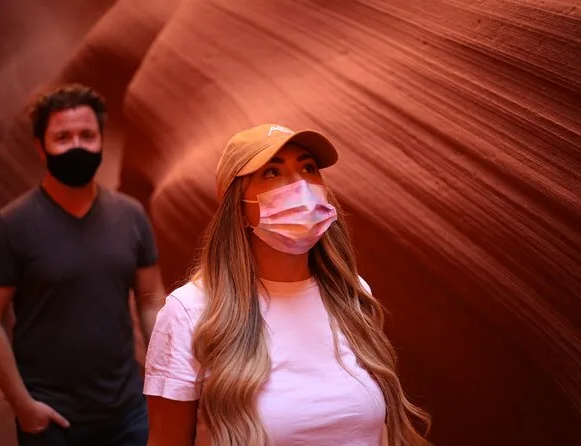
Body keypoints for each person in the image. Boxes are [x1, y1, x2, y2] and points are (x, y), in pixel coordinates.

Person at [143, 124, 431, 446]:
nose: (300, 185)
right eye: (272, 172)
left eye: (308, 168)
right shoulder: (190, 312)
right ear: (239, 210)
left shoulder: (352, 295)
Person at [0, 84, 163, 446]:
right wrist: (23, 406)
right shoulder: (11, 226)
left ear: (101, 140)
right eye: (62, 137)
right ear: (40, 147)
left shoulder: (131, 216)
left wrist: (162, 382)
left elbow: (152, 301)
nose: (77, 146)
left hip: (128, 412)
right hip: (51, 418)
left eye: (87, 135)